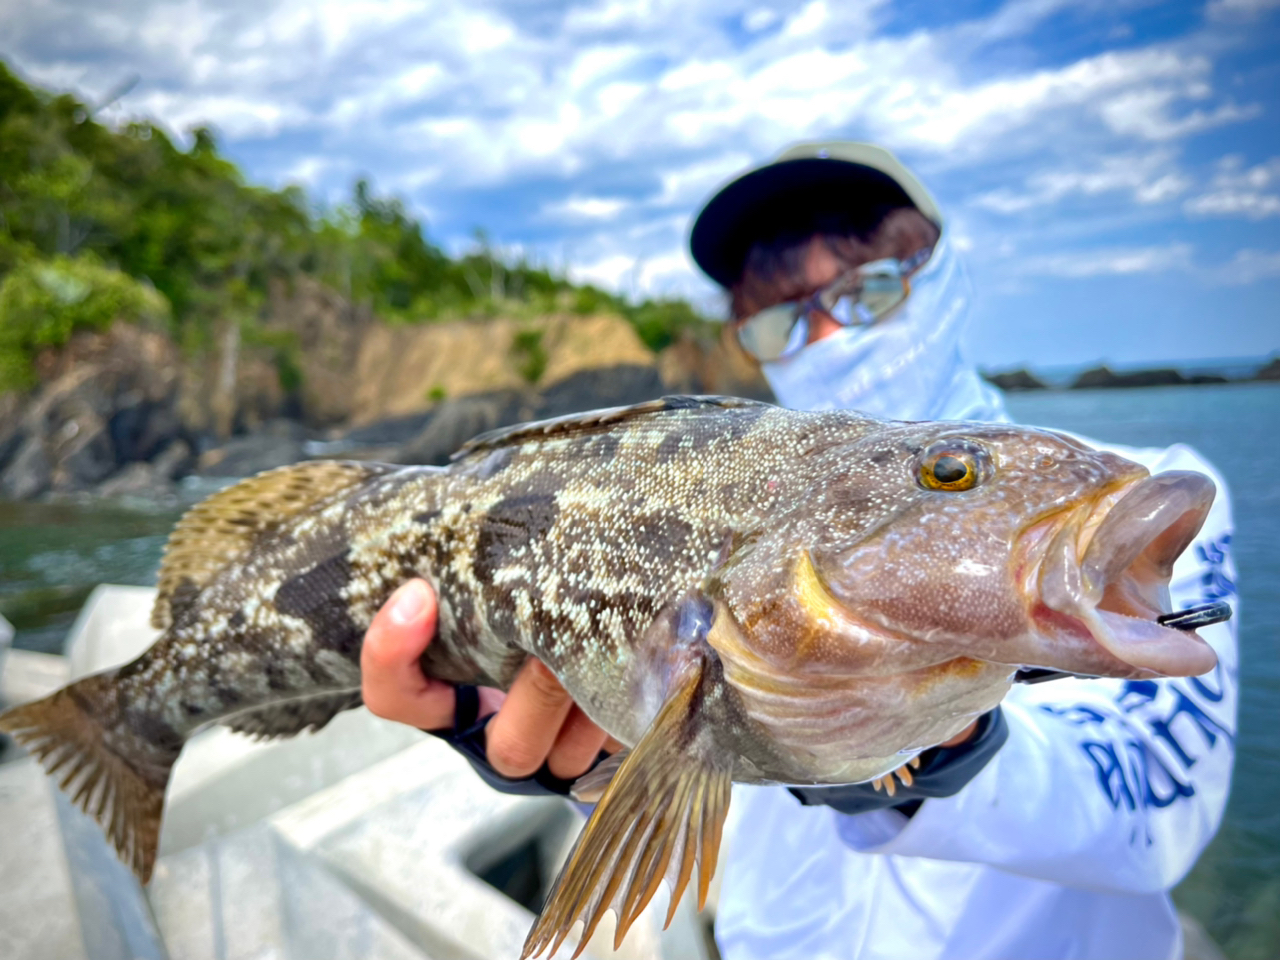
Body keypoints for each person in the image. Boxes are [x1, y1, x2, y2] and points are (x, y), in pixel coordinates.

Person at [360, 142, 1238, 960]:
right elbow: (681, 726)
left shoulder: (1141, 490)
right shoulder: (747, 497)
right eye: (780, 324)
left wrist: (939, 748)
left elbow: (1156, 800)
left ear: (944, 277)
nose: (827, 338)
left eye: (869, 290)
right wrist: (611, 754)